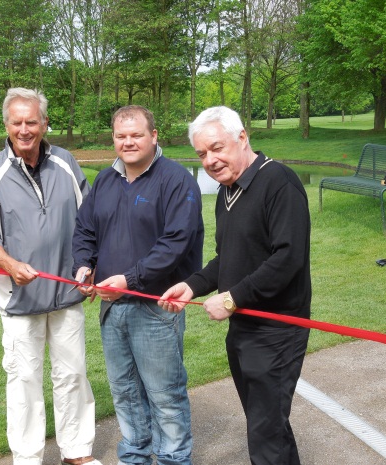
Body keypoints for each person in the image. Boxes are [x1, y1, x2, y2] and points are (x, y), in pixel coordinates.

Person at [159, 106, 312, 465]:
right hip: (243, 326)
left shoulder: (280, 182)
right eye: (201, 154)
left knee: (266, 432)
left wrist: (232, 299)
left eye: (217, 148)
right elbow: (227, 258)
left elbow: (288, 258)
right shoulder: (229, 191)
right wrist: (192, 286)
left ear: (242, 137)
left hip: (276, 330)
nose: (210, 160)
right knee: (268, 425)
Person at [0, 87, 102, 465]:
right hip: (19, 299)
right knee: (24, 381)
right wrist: (9, 264)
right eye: (17, 122)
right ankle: (27, 457)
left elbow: (88, 223)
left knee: (72, 374)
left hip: (67, 294)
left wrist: (91, 267)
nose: (24, 129)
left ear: (45, 123)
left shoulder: (66, 162)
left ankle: (76, 452)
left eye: (32, 121)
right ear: (6, 125)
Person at [72, 105, 204, 465]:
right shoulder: (105, 181)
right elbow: (85, 230)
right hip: (111, 307)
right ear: (113, 139)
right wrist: (84, 266)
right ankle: (134, 456)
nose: (128, 142)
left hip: (156, 306)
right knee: (125, 391)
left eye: (136, 134)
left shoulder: (176, 180)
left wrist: (129, 280)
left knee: (164, 393)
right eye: (120, 136)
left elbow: (176, 243)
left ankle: (173, 459)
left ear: (154, 136)